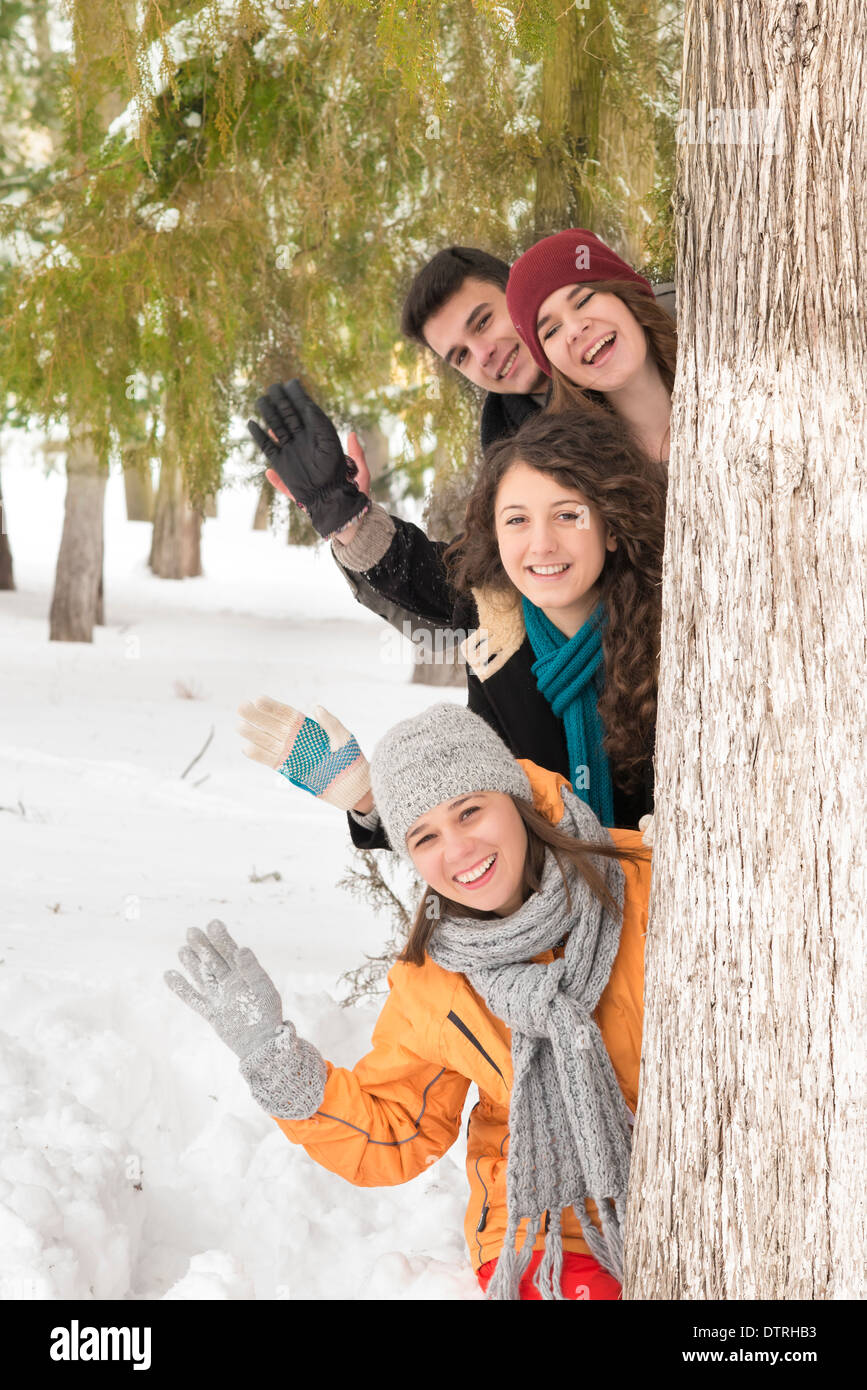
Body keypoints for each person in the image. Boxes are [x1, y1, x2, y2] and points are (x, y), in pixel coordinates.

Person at [165, 703, 652, 1301]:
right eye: (424, 836)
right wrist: (273, 1058)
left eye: (470, 811)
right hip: (546, 1230)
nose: (459, 850)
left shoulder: (639, 877)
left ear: (515, 799)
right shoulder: (435, 980)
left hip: (700, 1179)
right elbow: (396, 1128)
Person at [505, 228, 677, 466]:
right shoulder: (582, 476)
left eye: (583, 300)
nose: (575, 330)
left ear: (626, 295)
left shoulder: (728, 361)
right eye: (552, 331)